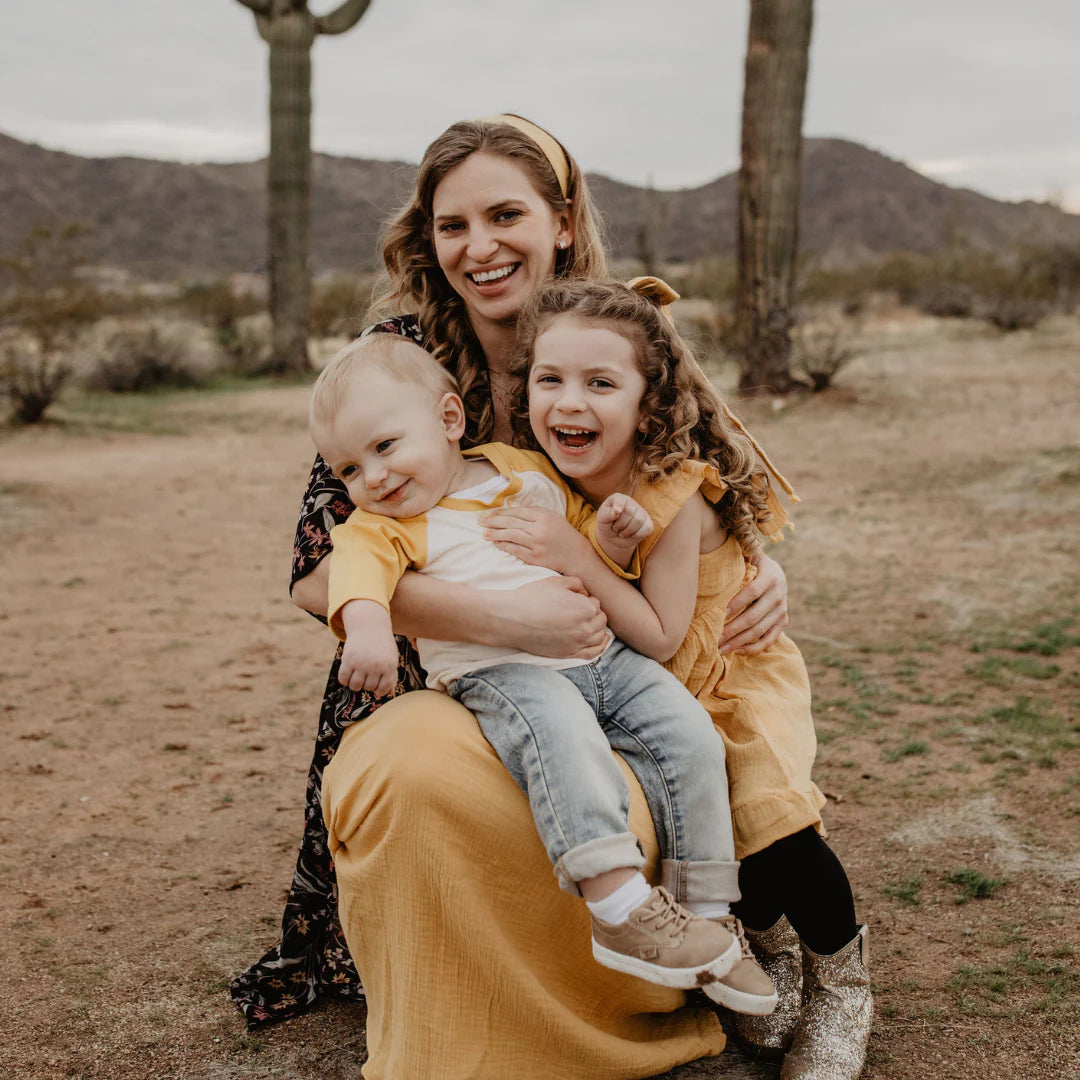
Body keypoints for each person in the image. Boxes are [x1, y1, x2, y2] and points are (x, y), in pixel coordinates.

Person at [232, 114, 791, 1078]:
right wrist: (504, 617)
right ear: (429, 240)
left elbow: (697, 477)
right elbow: (321, 572)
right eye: (453, 226)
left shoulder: (616, 326)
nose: (479, 247)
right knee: (459, 775)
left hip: (607, 634)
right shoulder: (399, 358)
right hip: (454, 666)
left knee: (704, 735)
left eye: (505, 215)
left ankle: (722, 932)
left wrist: (750, 564)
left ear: (563, 220)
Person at [308, 331, 777, 1009]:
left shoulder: (516, 468)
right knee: (564, 735)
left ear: (447, 421)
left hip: (600, 654)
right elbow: (354, 577)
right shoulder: (385, 526)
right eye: (348, 469)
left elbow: (580, 533)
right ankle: (617, 904)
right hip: (503, 674)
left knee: (688, 731)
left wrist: (610, 536)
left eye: (384, 448)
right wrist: (370, 631)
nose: (372, 479)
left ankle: (705, 918)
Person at [481, 277, 871, 1080]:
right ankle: (772, 954)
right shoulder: (555, 480)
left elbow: (660, 637)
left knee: (774, 823)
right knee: (727, 842)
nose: (567, 402)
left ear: (647, 399)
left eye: (600, 382)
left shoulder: (671, 492)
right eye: (549, 379)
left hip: (731, 676)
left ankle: (843, 982)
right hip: (667, 690)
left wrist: (573, 554)